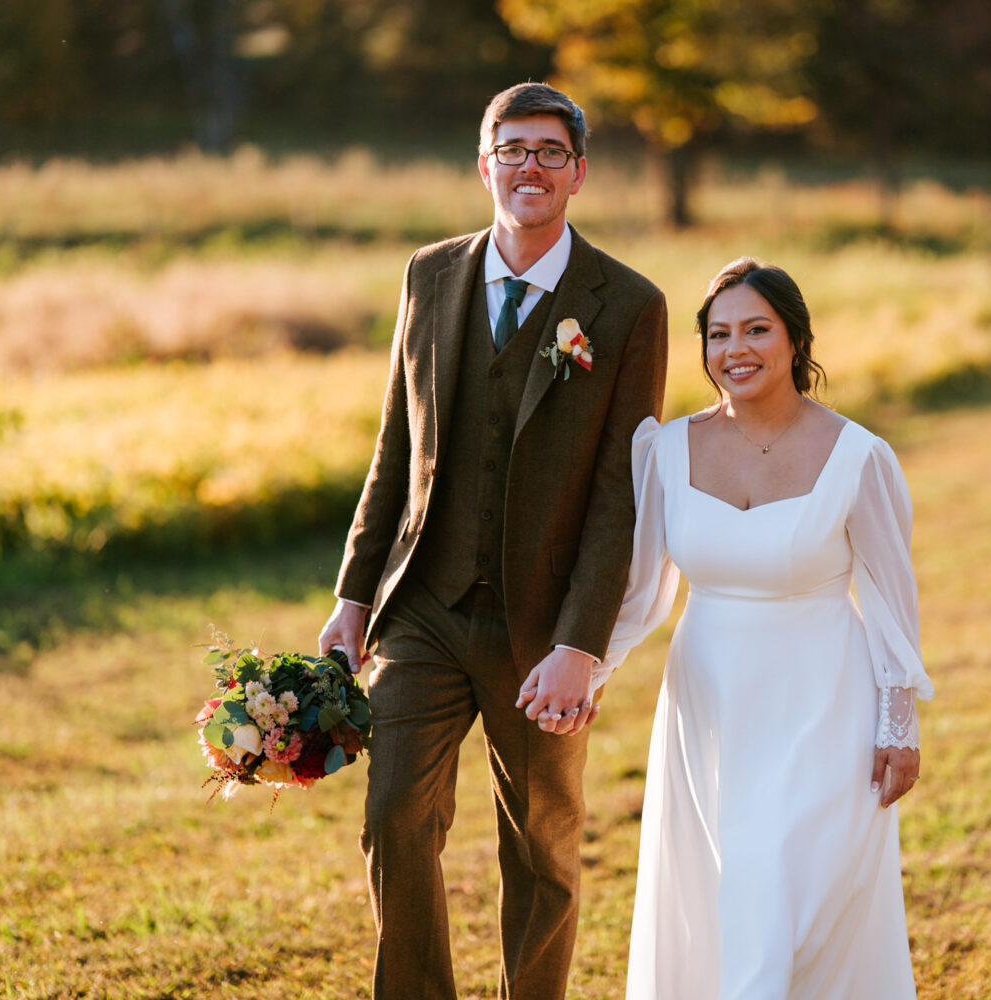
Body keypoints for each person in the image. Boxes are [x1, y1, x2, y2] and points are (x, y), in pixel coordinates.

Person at [317, 83, 668, 999]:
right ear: (485, 165)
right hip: (424, 609)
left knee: (543, 849)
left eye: (551, 152)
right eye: (512, 149)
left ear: (579, 173)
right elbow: (397, 445)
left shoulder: (629, 305)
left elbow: (616, 499)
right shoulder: (428, 276)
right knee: (394, 816)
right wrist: (355, 596)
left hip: (543, 627)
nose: (530, 167)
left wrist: (581, 646)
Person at [601, 257, 931, 999]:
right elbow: (643, 590)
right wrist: (586, 671)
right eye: (719, 334)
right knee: (731, 891)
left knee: (790, 890)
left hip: (823, 699)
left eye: (756, 329)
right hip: (710, 700)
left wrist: (898, 720)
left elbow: (889, 599)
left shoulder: (858, 455)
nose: (735, 349)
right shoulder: (666, 451)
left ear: (794, 339)